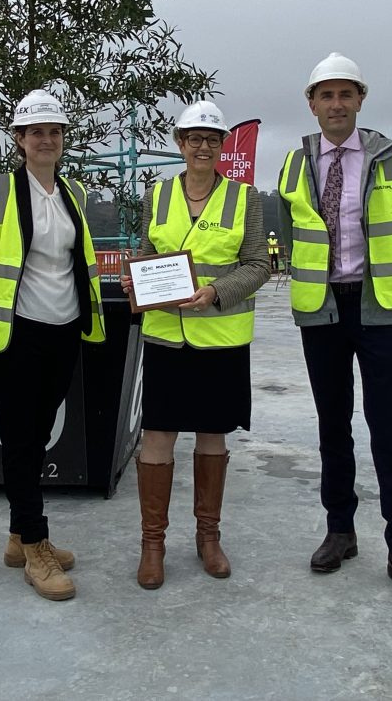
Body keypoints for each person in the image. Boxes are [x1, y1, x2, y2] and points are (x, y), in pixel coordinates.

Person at [277, 52, 392, 601]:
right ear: (312, 104)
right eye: (327, 95)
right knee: (331, 426)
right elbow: (289, 235)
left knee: (389, 429)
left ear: (360, 99)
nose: (336, 104)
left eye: (346, 94)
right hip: (321, 311)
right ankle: (339, 530)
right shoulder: (295, 163)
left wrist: (377, 280)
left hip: (377, 309)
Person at [120, 100, 269, 589]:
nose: (202, 147)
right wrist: (135, 282)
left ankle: (209, 538)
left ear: (222, 146)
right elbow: (146, 255)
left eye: (212, 139)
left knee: (212, 435)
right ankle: (152, 544)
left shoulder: (244, 199)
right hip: (166, 338)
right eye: (193, 139)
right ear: (179, 143)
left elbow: (258, 265)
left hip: (220, 338)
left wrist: (216, 293)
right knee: (158, 436)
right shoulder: (156, 196)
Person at [0, 90, 105, 602]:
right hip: (16, 331)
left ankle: (17, 535)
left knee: (40, 431)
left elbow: (74, 260)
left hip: (64, 327)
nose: (46, 139)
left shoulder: (73, 192)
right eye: (36, 132)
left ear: (62, 139)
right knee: (22, 437)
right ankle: (35, 543)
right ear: (20, 140)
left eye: (54, 131)